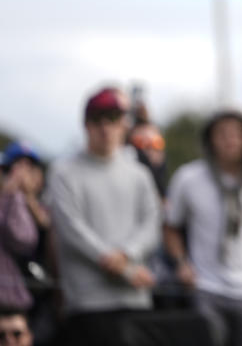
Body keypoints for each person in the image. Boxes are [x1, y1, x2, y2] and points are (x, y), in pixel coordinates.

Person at [164, 111, 242, 346]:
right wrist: (182, 263)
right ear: (209, 139)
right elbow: (171, 226)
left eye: (237, 134)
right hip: (206, 286)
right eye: (221, 133)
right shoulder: (188, 178)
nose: (229, 140)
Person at [47, 87, 161, 346]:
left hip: (135, 299)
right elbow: (73, 232)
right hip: (88, 303)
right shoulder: (63, 173)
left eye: (113, 119)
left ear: (124, 124)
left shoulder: (139, 174)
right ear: (86, 125)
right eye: (97, 120)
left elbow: (151, 224)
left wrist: (128, 256)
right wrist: (128, 270)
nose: (106, 128)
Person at [0, 145, 39, 311]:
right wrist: (10, 195)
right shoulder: (10, 199)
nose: (20, 175)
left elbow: (26, 239)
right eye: (14, 168)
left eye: (28, 168)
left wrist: (23, 197)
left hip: (17, 302)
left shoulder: (38, 205)